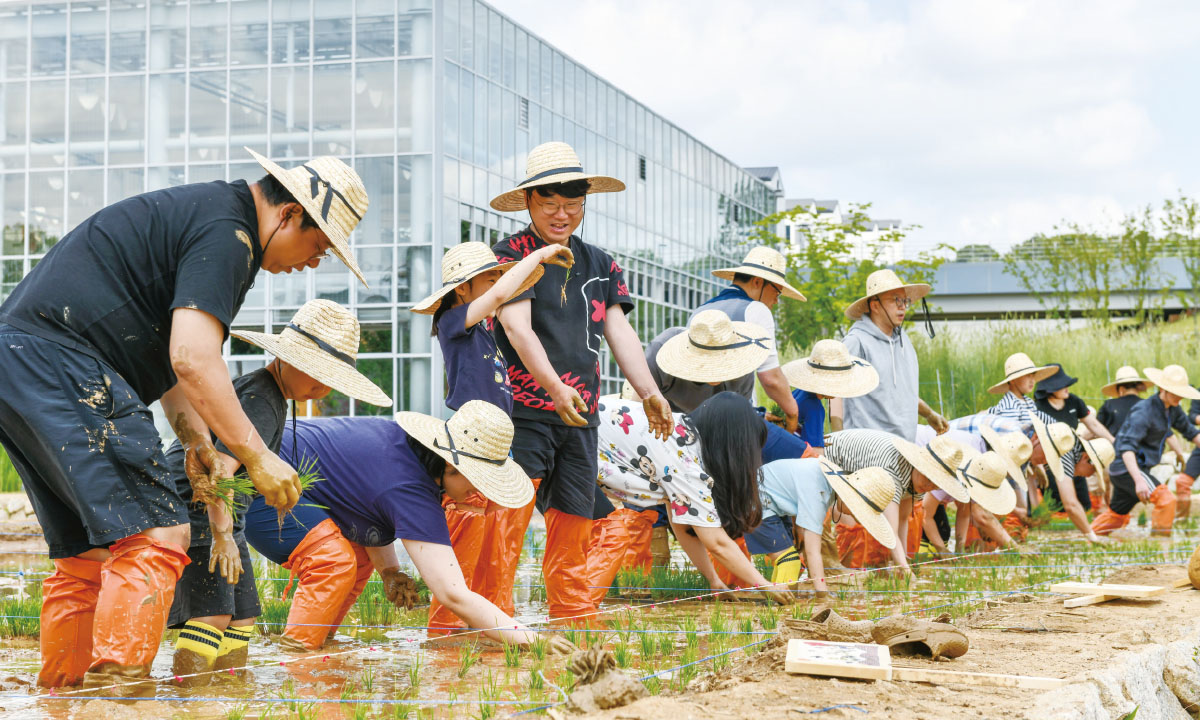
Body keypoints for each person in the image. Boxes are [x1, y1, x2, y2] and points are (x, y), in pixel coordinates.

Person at [0, 149, 368, 690]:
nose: (313, 263)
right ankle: (118, 697)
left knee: (86, 558)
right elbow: (194, 357)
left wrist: (196, 443)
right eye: (318, 246)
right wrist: (258, 457)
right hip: (66, 361)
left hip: (22, 363)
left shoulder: (206, 217)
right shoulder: (232, 234)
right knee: (159, 535)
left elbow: (171, 372)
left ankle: (66, 697)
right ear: (290, 214)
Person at [489, 141, 672, 621]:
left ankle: (570, 616)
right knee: (507, 519)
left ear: (585, 204)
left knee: (574, 520)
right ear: (528, 202)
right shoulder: (512, 254)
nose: (561, 214)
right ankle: (491, 620)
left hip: (582, 415)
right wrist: (551, 385)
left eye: (572, 205)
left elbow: (619, 330)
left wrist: (651, 392)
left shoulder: (600, 263)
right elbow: (516, 326)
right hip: (523, 410)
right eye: (549, 203)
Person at [167, 299, 391, 684]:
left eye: (330, 380)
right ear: (286, 359)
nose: (321, 388)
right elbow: (219, 471)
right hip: (200, 503)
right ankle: (189, 697)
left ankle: (229, 693)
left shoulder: (271, 395)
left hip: (228, 508)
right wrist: (222, 536)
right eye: (315, 374)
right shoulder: (262, 398)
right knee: (214, 611)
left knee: (243, 614)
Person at [244, 402, 570, 651]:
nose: (480, 494)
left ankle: (317, 640)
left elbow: (365, 510)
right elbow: (453, 595)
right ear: (450, 465)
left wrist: (389, 572)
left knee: (357, 560)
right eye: (478, 482)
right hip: (254, 481)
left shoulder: (406, 454)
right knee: (334, 562)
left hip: (278, 470)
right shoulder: (411, 488)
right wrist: (532, 639)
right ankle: (299, 656)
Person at [412, 240, 573, 632]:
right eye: (488, 277)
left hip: (491, 451)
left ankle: (490, 623)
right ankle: (446, 632)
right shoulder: (454, 322)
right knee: (466, 540)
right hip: (469, 449)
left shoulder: (482, 333)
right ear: (463, 289)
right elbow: (504, 294)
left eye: (497, 275)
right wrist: (540, 256)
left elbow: (501, 294)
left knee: (493, 546)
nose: (497, 284)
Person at [593, 392, 793, 605]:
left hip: (576, 435)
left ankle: (574, 611)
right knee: (611, 536)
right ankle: (574, 616)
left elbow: (681, 523)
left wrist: (714, 580)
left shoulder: (680, 436)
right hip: (570, 440)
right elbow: (716, 543)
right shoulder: (686, 461)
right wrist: (764, 585)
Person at [825, 429, 971, 572]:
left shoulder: (919, 481)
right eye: (928, 478)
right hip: (829, 455)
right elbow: (890, 529)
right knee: (851, 527)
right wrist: (905, 571)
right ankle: (838, 570)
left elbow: (902, 519)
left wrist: (904, 561)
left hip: (858, 469)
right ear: (919, 465)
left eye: (936, 484)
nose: (929, 486)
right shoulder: (893, 470)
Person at [697, 246, 806, 431]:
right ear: (757, 282)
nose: (776, 301)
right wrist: (792, 412)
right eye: (777, 292)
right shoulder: (755, 310)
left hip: (698, 419)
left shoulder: (700, 311)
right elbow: (771, 379)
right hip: (735, 424)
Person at [830, 269, 948, 440]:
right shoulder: (857, 342)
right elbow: (834, 391)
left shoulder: (903, 342)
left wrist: (929, 414)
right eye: (895, 300)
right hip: (867, 448)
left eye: (904, 300)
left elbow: (901, 391)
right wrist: (838, 439)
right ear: (875, 305)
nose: (902, 306)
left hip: (905, 447)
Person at [758, 458, 897, 598]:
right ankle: (780, 609)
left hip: (771, 502)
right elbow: (812, 551)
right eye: (857, 511)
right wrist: (823, 595)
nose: (854, 517)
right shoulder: (819, 493)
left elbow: (803, 529)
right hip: (756, 499)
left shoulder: (827, 482)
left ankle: (775, 602)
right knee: (789, 561)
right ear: (851, 497)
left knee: (789, 558)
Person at [1092, 366, 1200, 537]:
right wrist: (1139, 480)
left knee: (1117, 517)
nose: (1180, 397)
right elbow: (1127, 449)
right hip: (1126, 468)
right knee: (1166, 500)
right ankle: (1160, 546)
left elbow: (1191, 432)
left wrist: (1180, 454)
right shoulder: (1144, 411)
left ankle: (1088, 536)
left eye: (1182, 393)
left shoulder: (1173, 409)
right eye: (1176, 392)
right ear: (1163, 389)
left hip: (1132, 469)